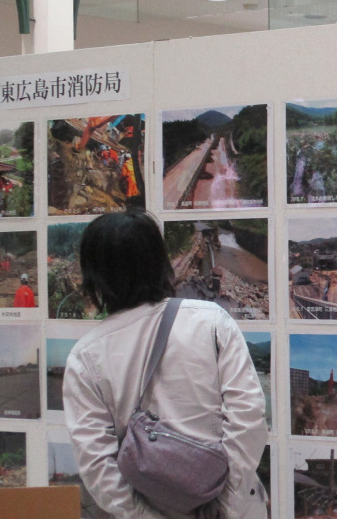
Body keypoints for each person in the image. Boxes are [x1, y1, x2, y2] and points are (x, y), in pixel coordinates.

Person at [63, 210, 268, 519]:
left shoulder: (85, 357)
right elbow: (248, 417)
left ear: (94, 275)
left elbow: (97, 465)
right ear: (160, 262)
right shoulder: (211, 321)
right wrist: (225, 504)